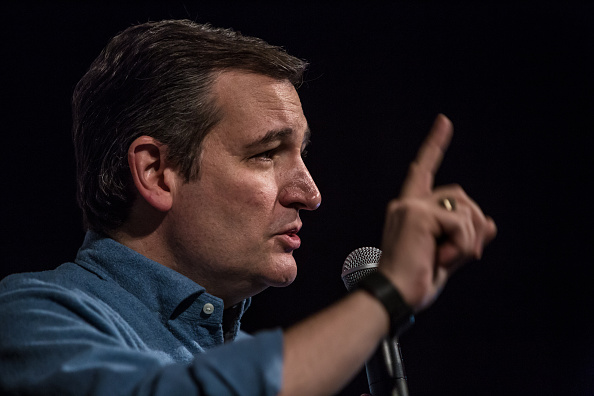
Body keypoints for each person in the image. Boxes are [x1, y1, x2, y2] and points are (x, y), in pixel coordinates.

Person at [0, 19, 496, 395]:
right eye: (265, 154)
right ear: (154, 172)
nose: (310, 193)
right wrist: (383, 299)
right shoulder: (28, 319)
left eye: (303, 154)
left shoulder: (244, 357)